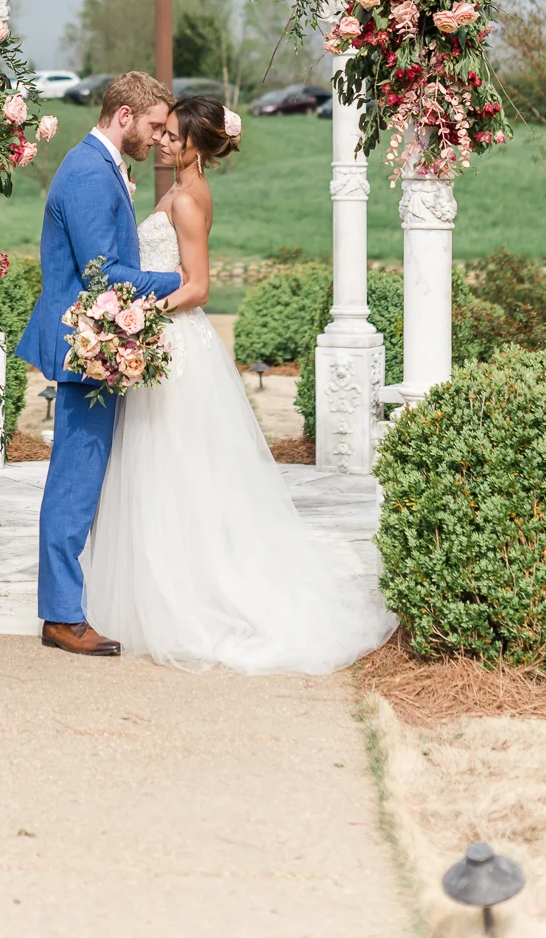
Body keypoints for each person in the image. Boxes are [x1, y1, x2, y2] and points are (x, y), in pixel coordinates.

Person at [83, 93, 396, 672]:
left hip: (177, 344)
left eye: (174, 135)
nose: (164, 141)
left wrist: (142, 315)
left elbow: (198, 286)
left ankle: (194, 597)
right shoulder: (177, 192)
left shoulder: (189, 200)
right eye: (166, 132)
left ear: (198, 145)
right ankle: (162, 589)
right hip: (170, 340)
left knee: (176, 469)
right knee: (166, 471)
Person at [17, 70, 181, 655]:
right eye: (154, 126)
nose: (158, 139)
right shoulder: (89, 172)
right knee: (75, 480)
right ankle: (61, 617)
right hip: (85, 347)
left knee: (84, 477)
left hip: (99, 342)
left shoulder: (100, 165)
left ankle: (68, 606)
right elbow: (101, 274)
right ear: (124, 116)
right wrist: (180, 280)